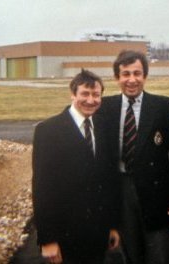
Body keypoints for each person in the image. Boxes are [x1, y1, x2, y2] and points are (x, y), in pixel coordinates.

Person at [98, 50, 169, 264]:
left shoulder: (163, 106)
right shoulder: (105, 107)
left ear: (145, 76)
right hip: (121, 191)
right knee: (131, 254)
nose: (132, 80)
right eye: (125, 74)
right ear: (117, 78)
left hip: (157, 193)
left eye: (137, 73)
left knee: (161, 253)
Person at [32, 69, 121, 264]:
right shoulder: (48, 131)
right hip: (66, 236)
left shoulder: (103, 127)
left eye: (96, 95)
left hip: (98, 233)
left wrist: (112, 226)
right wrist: (48, 239)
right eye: (85, 94)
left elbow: (108, 181)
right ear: (73, 94)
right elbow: (42, 188)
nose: (91, 100)